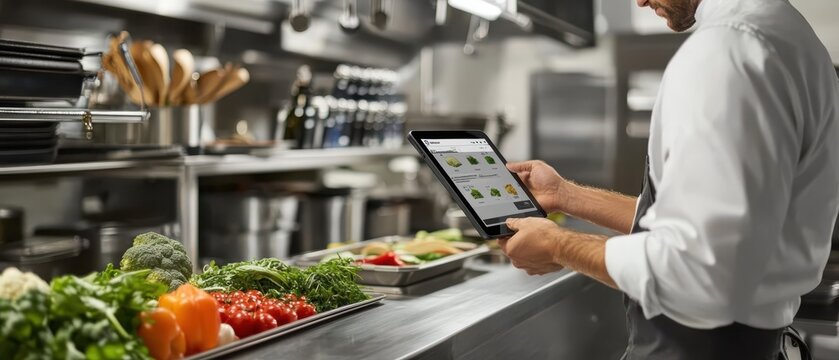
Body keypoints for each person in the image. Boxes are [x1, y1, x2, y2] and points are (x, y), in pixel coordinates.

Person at [500, 0, 839, 358]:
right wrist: (564, 195)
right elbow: (707, 226)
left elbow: (695, 268)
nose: (640, 1)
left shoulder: (725, 50)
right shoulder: (792, 36)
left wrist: (559, 246)